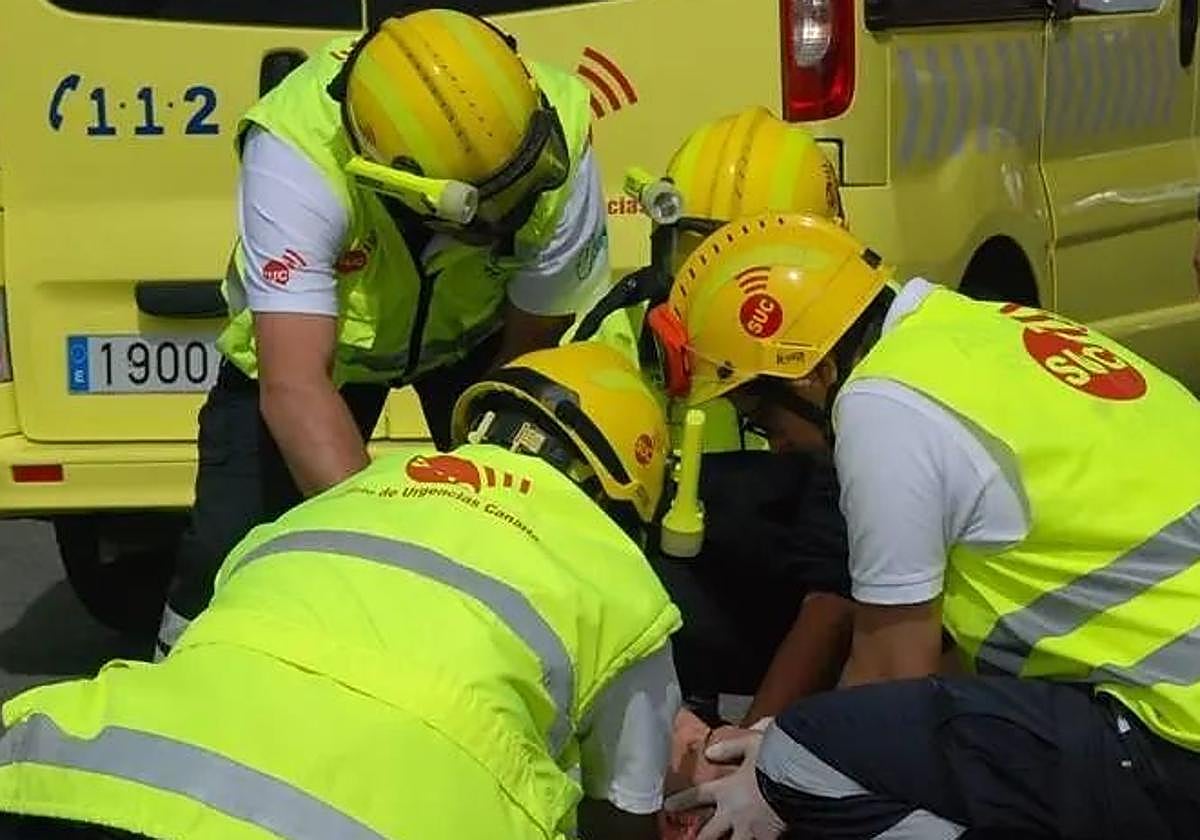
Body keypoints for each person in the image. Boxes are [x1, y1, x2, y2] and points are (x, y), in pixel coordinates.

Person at [655, 212, 1200, 838]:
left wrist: (769, 769)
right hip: (1169, 711)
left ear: (811, 375)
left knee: (808, 758)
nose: (779, 448)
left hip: (1173, 740)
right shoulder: (969, 329)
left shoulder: (883, 405)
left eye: (763, 418)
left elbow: (889, 683)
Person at [0, 342, 683, 840]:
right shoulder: (615, 581)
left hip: (63, 777)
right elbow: (625, 812)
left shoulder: (343, 500)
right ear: (627, 491)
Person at [158, 8, 610, 656]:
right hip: (326, 363)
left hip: (478, 340)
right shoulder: (294, 151)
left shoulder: (559, 118)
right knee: (229, 555)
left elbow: (530, 344)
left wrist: (487, 493)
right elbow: (295, 384)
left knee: (530, 529)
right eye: (488, 207)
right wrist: (386, 559)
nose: (514, 213)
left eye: (523, 187)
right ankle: (188, 684)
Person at [581, 109, 854, 732]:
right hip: (655, 677)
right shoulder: (615, 344)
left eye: (749, 269)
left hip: (800, 673)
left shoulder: (842, 364)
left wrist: (753, 744)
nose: (715, 293)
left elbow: (838, 594)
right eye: (695, 255)